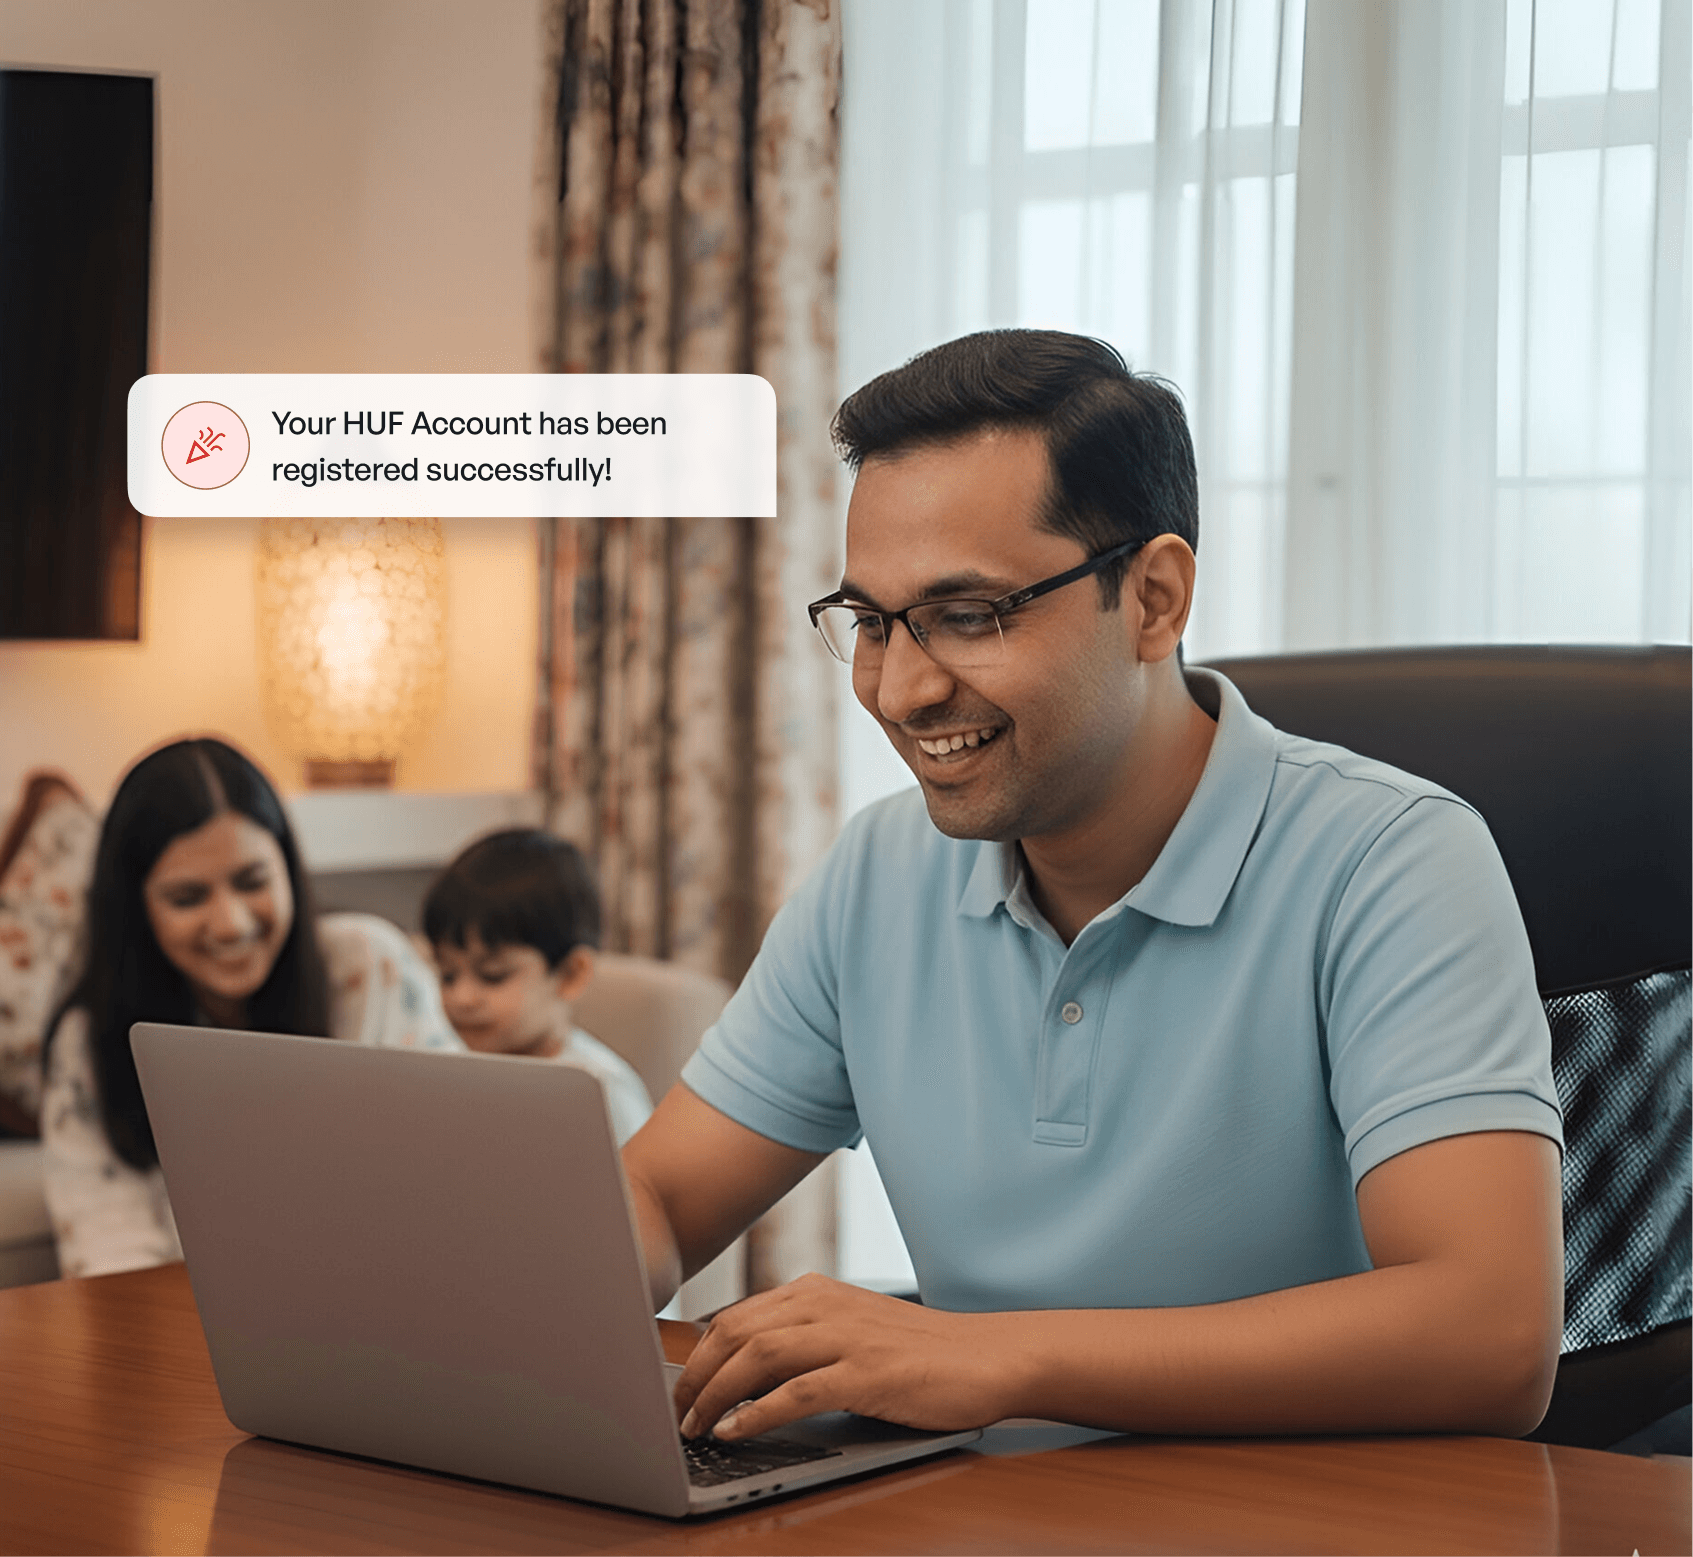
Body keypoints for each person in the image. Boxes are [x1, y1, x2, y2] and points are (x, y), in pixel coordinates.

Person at [623, 329, 1565, 1445]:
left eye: (967, 616)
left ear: (1154, 598)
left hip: (1296, 1511)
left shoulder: (1393, 860)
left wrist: (998, 1357)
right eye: (871, 623)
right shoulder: (876, 874)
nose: (901, 690)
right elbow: (662, 1197)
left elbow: (1489, 1334)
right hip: (974, 1508)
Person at [40, 737, 460, 1278]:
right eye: (187, 898)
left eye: (252, 881)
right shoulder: (89, 1041)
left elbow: (450, 1172)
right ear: (136, 908)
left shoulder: (368, 967)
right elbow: (105, 1260)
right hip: (179, 1317)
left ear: (288, 868)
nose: (231, 924)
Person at [422, 828, 652, 1144]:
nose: (461, 998)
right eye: (447, 975)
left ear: (571, 974)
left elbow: (636, 1177)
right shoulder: (445, 1072)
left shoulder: (602, 1094)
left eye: (493, 975)